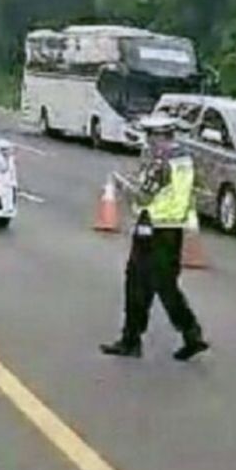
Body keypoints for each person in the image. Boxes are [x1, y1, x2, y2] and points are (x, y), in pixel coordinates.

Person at [101, 114, 209, 361]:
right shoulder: (184, 158)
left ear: (161, 136)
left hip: (154, 228)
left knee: (145, 284)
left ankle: (181, 335)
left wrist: (121, 185)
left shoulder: (161, 162)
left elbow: (143, 197)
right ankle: (139, 338)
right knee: (155, 285)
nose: (147, 141)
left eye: (151, 135)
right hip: (173, 229)